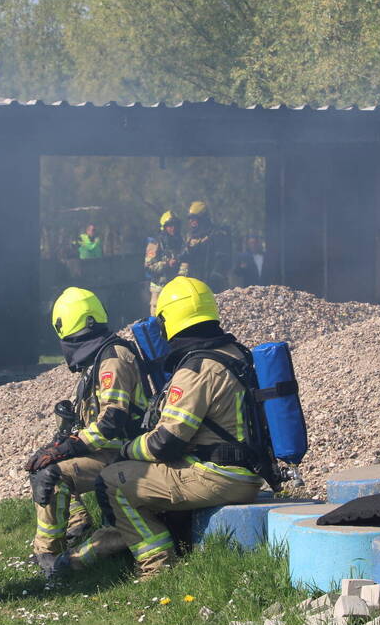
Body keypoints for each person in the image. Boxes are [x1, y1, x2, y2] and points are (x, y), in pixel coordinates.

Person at [51, 277, 263, 580]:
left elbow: (165, 442)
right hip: (244, 470)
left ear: (169, 319)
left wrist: (128, 449)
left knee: (114, 481)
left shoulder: (196, 370)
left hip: (217, 476)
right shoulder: (234, 353)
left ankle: (156, 568)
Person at [25, 287, 149, 576]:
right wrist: (62, 439)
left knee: (50, 473)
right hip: (106, 450)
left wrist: (69, 446)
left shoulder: (113, 359)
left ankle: (48, 557)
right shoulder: (97, 358)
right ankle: (77, 524)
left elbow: (112, 422)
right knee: (42, 461)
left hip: (124, 453)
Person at [181, 201, 231, 291]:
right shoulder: (189, 237)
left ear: (202, 219)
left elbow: (223, 260)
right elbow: (185, 259)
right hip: (194, 285)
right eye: (189, 218)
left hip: (214, 286)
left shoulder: (217, 235)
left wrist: (216, 276)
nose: (191, 221)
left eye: (194, 218)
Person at [144, 210, 184, 315]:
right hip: (159, 288)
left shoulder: (180, 242)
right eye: (170, 226)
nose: (173, 228)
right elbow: (149, 266)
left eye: (175, 225)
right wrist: (166, 264)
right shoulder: (155, 243)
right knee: (157, 318)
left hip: (175, 287)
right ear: (164, 227)